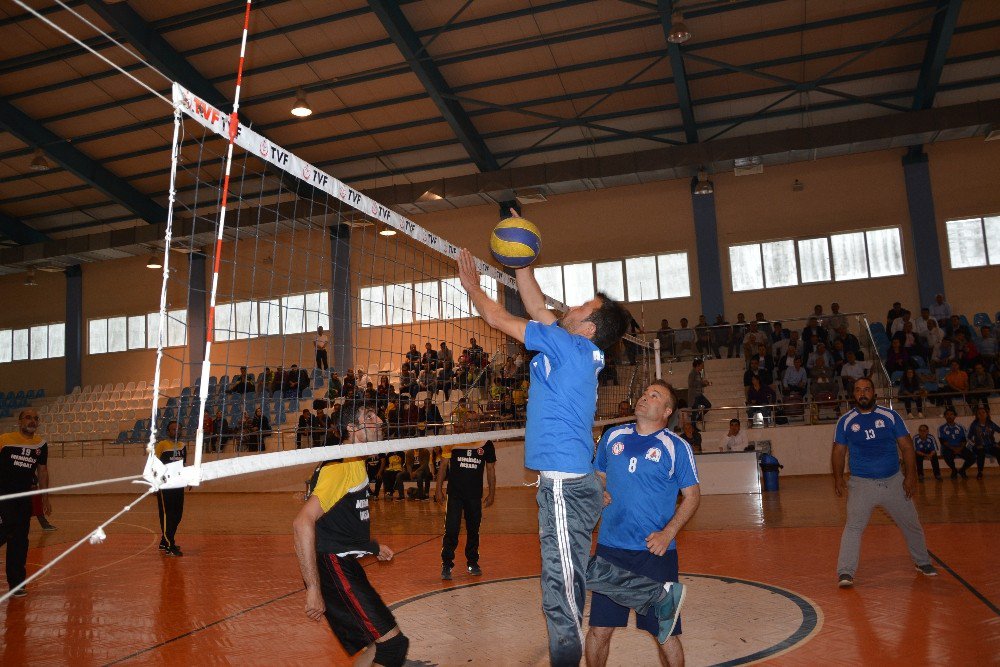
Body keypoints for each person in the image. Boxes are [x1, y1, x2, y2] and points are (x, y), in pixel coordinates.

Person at [455, 245, 677, 665]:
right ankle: (657, 597)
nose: (569, 308)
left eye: (579, 307)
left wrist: (472, 287)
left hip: (564, 485)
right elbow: (536, 303)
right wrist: (522, 264)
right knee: (573, 567)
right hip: (575, 481)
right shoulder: (577, 349)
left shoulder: (566, 346)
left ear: (589, 327)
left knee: (560, 595)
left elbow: (497, 318)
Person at [587, 381, 700, 666]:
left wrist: (668, 533)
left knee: (665, 633)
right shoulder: (612, 436)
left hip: (655, 554)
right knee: (599, 630)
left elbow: (692, 496)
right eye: (644, 393)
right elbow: (598, 475)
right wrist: (598, 490)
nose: (644, 397)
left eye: (654, 395)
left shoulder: (677, 447)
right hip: (612, 550)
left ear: (666, 411)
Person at [292, 400, 409, 667]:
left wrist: (370, 547)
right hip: (333, 566)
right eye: (370, 417)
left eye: (378, 416)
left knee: (372, 646)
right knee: (392, 646)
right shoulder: (343, 464)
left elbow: (338, 517)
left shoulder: (351, 461)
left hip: (341, 562)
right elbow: (302, 523)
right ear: (352, 428)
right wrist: (313, 589)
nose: (379, 421)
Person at [832, 378, 936, 587]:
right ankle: (846, 572)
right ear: (854, 395)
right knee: (853, 527)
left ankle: (922, 561)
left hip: (893, 481)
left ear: (874, 393)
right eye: (859, 390)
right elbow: (838, 451)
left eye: (867, 389)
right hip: (861, 484)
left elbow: (906, 447)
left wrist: (910, 476)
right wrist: (837, 478)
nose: (863, 393)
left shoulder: (890, 416)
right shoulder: (845, 421)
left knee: (911, 524)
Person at [435, 415, 496, 579]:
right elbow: (443, 466)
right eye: (468, 420)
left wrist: (492, 492)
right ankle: (447, 564)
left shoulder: (486, 443)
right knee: (452, 530)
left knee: (473, 531)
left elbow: (490, 470)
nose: (472, 423)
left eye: (475, 420)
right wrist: (438, 489)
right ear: (462, 423)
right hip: (455, 494)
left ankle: (472, 563)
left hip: (474, 496)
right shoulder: (453, 442)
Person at [0, 409, 50, 596]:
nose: (32, 421)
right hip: (3, 496)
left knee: (20, 541)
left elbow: (42, 471)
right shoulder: (4, 440)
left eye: (36, 418)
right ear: (20, 421)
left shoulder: (41, 444)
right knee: (5, 530)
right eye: (28, 418)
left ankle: (17, 584)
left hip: (24, 500)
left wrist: (45, 497)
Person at [155, 420, 186, 557]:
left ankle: (164, 541)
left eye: (178, 429)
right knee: (168, 515)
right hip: (165, 485)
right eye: (173, 429)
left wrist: (188, 479)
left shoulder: (182, 446)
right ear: (168, 432)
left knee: (178, 515)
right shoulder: (162, 445)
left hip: (178, 484)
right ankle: (169, 545)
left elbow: (184, 465)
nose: (176, 432)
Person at [938, 408, 973, 479]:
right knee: (947, 456)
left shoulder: (961, 427)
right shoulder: (941, 428)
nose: (949, 416)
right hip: (948, 448)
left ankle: (962, 470)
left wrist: (960, 448)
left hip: (960, 447)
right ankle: (954, 470)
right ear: (944, 416)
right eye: (947, 414)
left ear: (955, 416)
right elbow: (943, 441)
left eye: (951, 414)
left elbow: (964, 440)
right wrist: (953, 449)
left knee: (972, 457)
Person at [967, 406, 1000, 479]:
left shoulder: (991, 424)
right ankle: (980, 472)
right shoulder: (974, 425)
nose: (981, 414)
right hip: (978, 446)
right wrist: (975, 444)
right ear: (977, 415)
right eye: (979, 413)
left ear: (987, 414)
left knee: (999, 451)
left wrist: (998, 444)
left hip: (990, 446)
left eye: (983, 412)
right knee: (980, 452)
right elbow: (969, 437)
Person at [687, 359, 711, 424]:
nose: (702, 367)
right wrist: (701, 382)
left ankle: (699, 418)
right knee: (694, 412)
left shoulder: (698, 373)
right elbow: (691, 384)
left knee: (708, 405)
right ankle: (694, 426)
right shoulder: (692, 373)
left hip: (699, 394)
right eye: (701, 365)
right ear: (697, 365)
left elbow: (698, 384)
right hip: (694, 395)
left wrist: (704, 384)